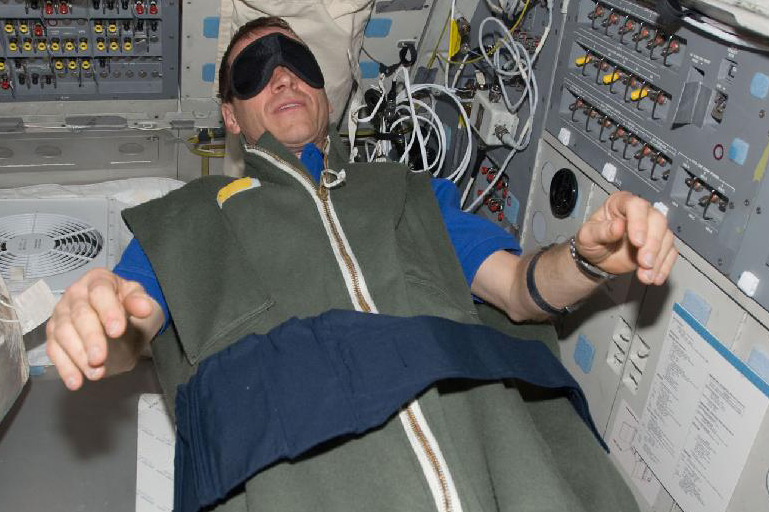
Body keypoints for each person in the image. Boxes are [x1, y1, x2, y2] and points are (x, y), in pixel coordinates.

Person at [46, 16, 677, 512]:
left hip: (496, 466)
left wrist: (588, 261)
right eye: (253, 72)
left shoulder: (410, 192)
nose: (282, 76)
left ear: (324, 94)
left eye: (297, 62)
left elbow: (519, 290)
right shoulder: (185, 221)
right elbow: (129, 324)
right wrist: (99, 320)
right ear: (230, 118)